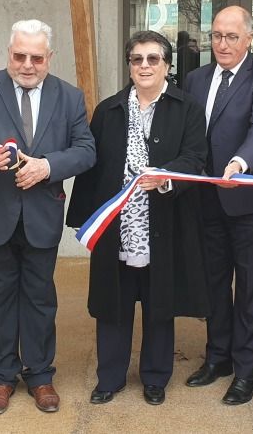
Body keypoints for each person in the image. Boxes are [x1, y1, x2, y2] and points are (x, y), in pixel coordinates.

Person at [0, 19, 95, 415]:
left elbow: (86, 149)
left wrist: (48, 167)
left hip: (41, 213)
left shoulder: (69, 96)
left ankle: (40, 375)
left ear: (49, 58)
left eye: (36, 57)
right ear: (8, 54)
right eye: (19, 56)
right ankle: (1, 377)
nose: (27, 64)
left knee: (40, 297)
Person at [67, 30, 209, 407]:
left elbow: (196, 157)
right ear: (129, 65)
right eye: (137, 59)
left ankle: (155, 377)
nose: (144, 65)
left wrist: (166, 178)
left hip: (164, 223)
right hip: (118, 228)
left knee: (159, 303)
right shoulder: (109, 110)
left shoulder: (188, 108)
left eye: (153, 59)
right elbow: (92, 170)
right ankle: (109, 378)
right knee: (113, 304)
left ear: (167, 65)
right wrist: (84, 220)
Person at [181, 6, 253, 405]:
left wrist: (240, 163)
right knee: (213, 284)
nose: (222, 44)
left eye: (231, 37)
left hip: (249, 201)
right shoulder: (196, 78)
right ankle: (218, 357)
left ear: (249, 39)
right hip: (205, 200)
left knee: (251, 289)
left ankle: (247, 371)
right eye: (216, 35)